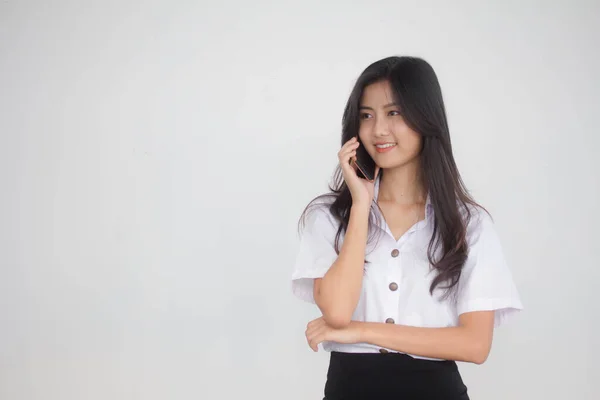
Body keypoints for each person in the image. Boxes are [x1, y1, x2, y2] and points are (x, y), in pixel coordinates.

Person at [290, 56, 523, 400]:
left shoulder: (468, 224)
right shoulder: (328, 216)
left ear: (425, 118)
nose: (378, 130)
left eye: (394, 113)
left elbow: (475, 345)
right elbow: (337, 312)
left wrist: (361, 332)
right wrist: (361, 205)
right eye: (366, 115)